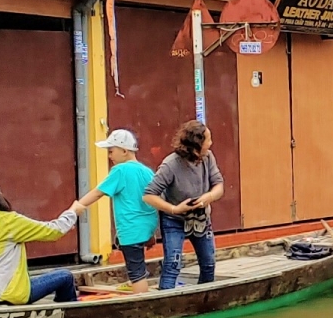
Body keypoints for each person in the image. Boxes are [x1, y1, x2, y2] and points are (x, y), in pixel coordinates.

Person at [143, 121, 224, 289]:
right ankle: (166, 302)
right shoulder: (171, 164)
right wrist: (175, 209)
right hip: (174, 220)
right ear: (196, 144)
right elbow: (149, 195)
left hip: (201, 218)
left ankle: (205, 299)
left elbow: (219, 185)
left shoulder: (208, 157)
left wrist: (208, 197)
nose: (211, 143)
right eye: (208, 140)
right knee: (173, 264)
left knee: (209, 263)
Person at [75, 129, 159, 284]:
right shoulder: (147, 171)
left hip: (130, 230)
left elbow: (98, 192)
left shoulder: (119, 170)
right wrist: (152, 233)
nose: (109, 156)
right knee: (137, 266)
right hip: (146, 228)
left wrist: (78, 205)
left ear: (125, 151)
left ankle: (140, 300)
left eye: (111, 151)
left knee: (136, 275)